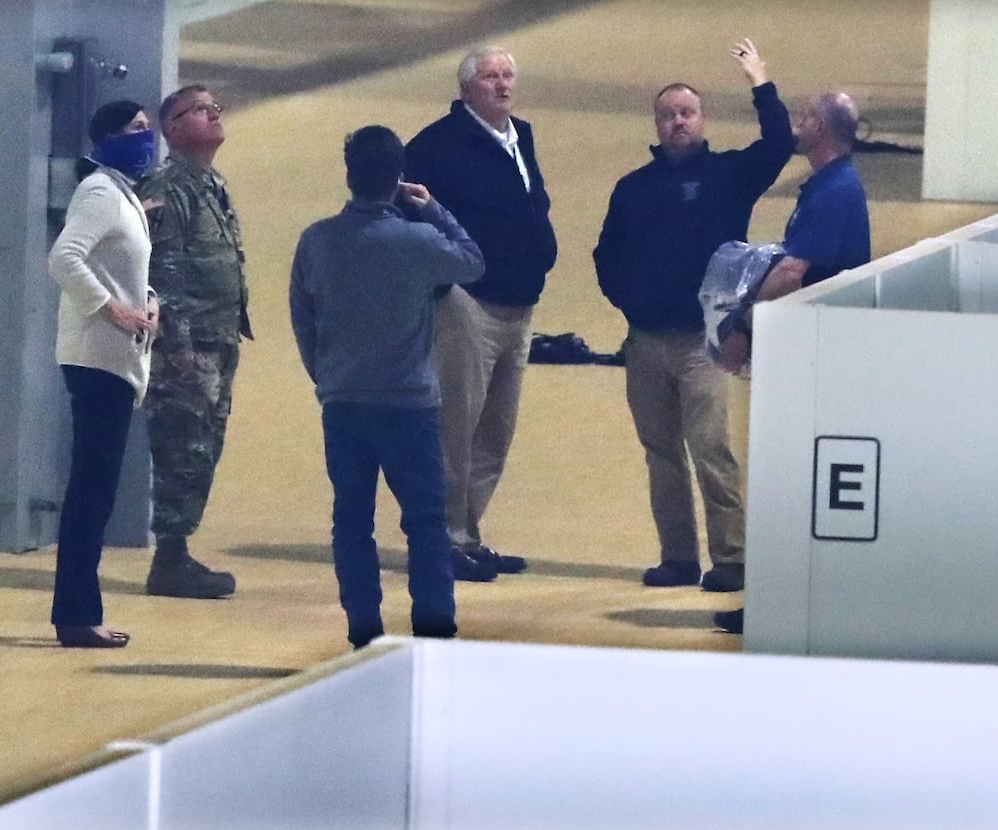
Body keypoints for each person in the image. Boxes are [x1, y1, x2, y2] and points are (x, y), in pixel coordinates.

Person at [593, 39, 793, 593]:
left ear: (702, 120)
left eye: (686, 113)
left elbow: (779, 143)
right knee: (661, 454)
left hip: (703, 343)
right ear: (656, 125)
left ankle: (730, 558)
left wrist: (760, 81)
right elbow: (606, 257)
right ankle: (677, 558)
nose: (677, 122)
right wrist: (630, 302)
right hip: (646, 341)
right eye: (667, 115)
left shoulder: (729, 176)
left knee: (711, 450)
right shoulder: (631, 189)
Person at [290, 126, 484, 649]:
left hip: (344, 401)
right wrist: (433, 208)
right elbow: (472, 260)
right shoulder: (416, 240)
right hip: (409, 404)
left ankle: (363, 628)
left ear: (349, 175)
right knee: (425, 522)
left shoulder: (317, 240)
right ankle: (435, 626)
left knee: (352, 519)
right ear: (399, 178)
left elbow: (303, 320)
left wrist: (327, 375)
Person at [714, 90, 872, 634]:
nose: (797, 125)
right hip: (815, 356)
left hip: (811, 359)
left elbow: (792, 272)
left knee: (781, 484)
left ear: (823, 129)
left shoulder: (833, 192)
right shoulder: (833, 187)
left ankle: (779, 604)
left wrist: (741, 326)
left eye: (804, 117)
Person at [404, 45, 557, 581]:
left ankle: (468, 534)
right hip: (467, 303)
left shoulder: (521, 136)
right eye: (490, 76)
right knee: (454, 428)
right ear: (466, 87)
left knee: (496, 430)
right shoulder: (435, 146)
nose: (501, 84)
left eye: (507, 74)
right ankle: (439, 539)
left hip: (519, 303)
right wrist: (444, 282)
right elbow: (410, 221)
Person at [48, 100, 161, 648]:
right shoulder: (99, 192)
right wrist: (110, 309)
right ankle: (76, 615)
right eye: (137, 129)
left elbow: (124, 267)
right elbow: (65, 257)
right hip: (98, 359)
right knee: (91, 491)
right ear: (109, 137)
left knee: (95, 488)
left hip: (114, 359)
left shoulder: (122, 194)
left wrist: (148, 301)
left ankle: (77, 613)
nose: (147, 137)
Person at [135, 85, 247, 599]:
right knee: (182, 446)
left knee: (203, 446)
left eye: (215, 108)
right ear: (173, 128)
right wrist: (177, 348)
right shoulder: (168, 185)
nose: (213, 115)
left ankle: (177, 552)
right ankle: (170, 559)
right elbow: (163, 268)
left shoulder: (210, 183)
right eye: (200, 110)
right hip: (188, 346)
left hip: (216, 340)